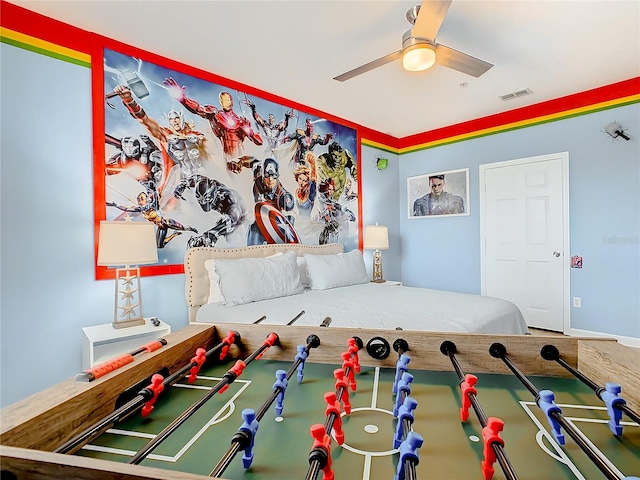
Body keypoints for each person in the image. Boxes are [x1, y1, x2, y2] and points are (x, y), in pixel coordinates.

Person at [113, 85, 209, 189]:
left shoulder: (196, 134)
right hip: (177, 183)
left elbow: (211, 152)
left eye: (176, 118)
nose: (175, 121)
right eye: (172, 119)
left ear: (181, 118)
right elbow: (145, 121)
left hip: (203, 176)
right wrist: (129, 101)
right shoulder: (166, 134)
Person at [164, 78, 263, 162]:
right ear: (220, 102)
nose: (225, 102)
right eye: (223, 100)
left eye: (227, 100)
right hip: (228, 158)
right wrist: (183, 99)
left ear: (231, 101)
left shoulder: (242, 121)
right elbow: (198, 109)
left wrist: (249, 130)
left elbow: (259, 141)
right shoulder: (216, 114)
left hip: (242, 157)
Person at [227, 156, 298, 245]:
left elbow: (290, 213)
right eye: (267, 175)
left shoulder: (282, 194)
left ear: (277, 176)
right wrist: (240, 162)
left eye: (274, 176)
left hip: (275, 221)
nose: (270, 180)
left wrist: (289, 223)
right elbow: (252, 161)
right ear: (263, 174)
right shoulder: (258, 172)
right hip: (261, 218)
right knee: (254, 230)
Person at [172, 174, 247, 248]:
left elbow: (232, 220)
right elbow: (194, 178)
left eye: (207, 200)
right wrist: (183, 184)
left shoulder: (229, 199)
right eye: (200, 200)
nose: (203, 203)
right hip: (227, 215)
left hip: (240, 220)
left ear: (214, 195)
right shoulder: (204, 183)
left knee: (231, 236)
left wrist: (212, 233)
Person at [107, 191, 198, 248]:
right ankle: (174, 235)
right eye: (138, 199)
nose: (139, 201)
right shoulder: (141, 209)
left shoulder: (154, 205)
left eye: (141, 198)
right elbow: (126, 209)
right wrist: (115, 205)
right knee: (160, 245)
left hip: (166, 222)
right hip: (161, 227)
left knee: (183, 228)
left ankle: (190, 228)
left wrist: (152, 191)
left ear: (146, 199)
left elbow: (155, 194)